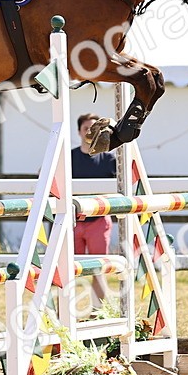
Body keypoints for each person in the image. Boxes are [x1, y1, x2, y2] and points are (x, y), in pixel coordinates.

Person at [71, 112, 117, 306]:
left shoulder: (109, 159)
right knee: (68, 270)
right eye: (86, 129)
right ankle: (65, 315)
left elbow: (120, 186)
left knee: (98, 269)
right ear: (79, 132)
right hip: (72, 220)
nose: (89, 132)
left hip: (98, 221)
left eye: (93, 128)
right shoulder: (68, 157)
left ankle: (98, 312)